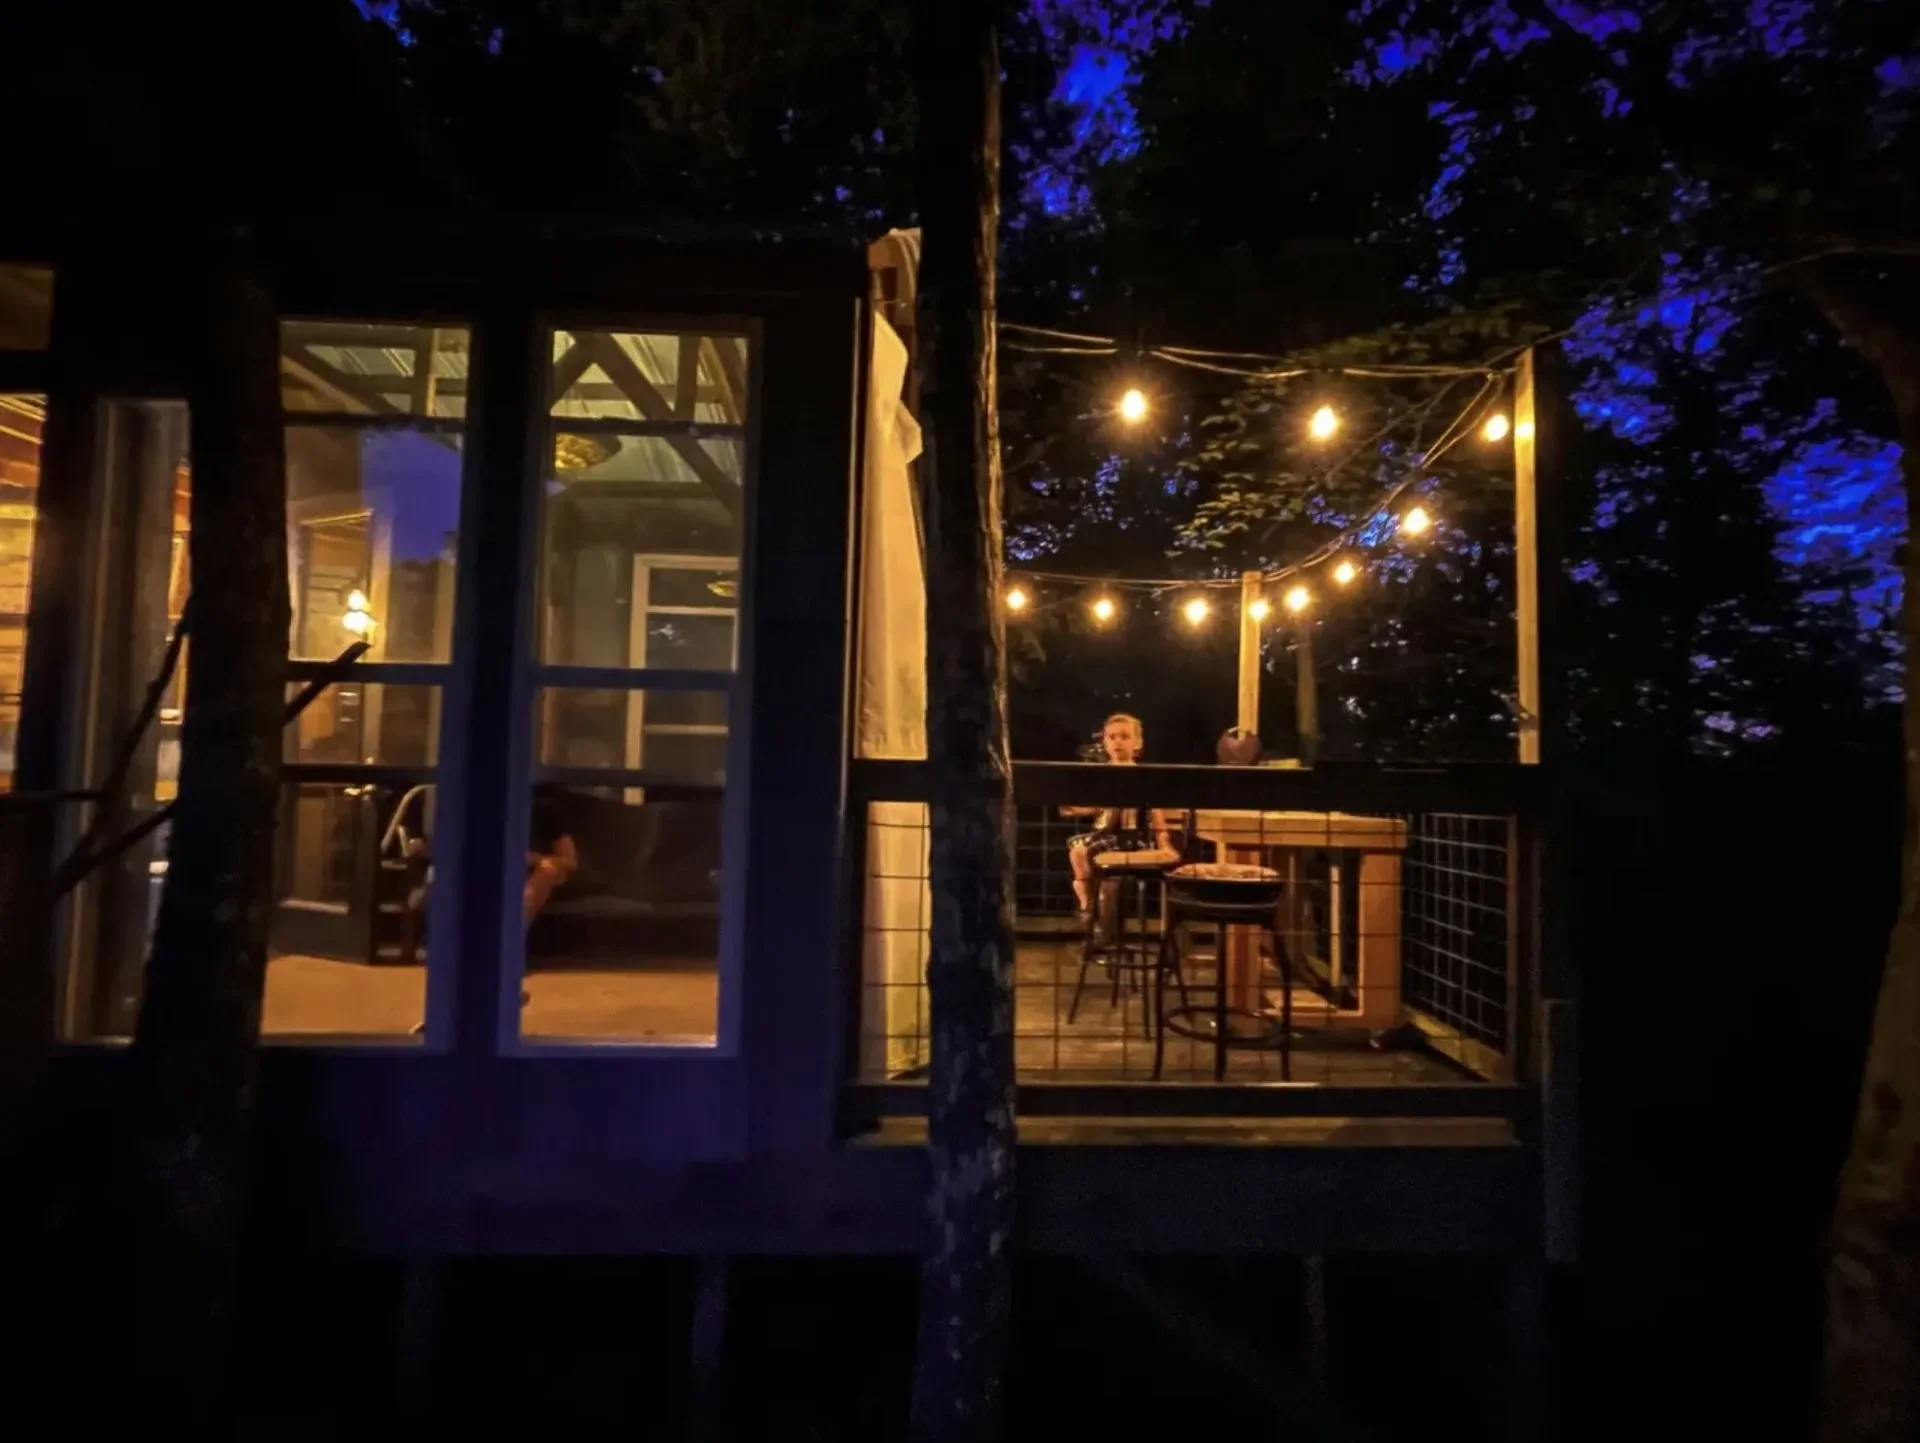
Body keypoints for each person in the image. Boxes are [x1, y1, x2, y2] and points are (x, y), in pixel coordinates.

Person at [1063, 712, 1171, 930]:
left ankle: (1098, 915)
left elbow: (1155, 810)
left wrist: (1163, 839)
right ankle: (1088, 904)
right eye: (1112, 737)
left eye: (1124, 737)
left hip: (1129, 835)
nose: (1117, 742)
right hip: (1104, 832)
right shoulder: (1103, 774)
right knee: (1077, 849)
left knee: (1092, 855)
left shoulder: (1141, 777)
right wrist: (1075, 808)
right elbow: (1097, 806)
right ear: (1104, 742)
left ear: (1137, 743)